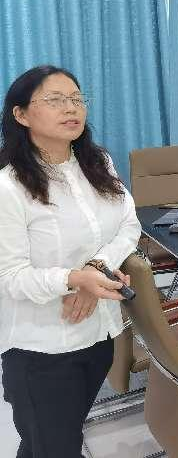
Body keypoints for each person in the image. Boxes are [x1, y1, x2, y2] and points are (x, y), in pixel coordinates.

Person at [0, 65, 141, 458]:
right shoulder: (8, 187)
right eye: (55, 100)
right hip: (41, 351)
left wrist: (96, 269)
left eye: (77, 99)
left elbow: (128, 225)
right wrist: (74, 279)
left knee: (49, 443)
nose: (71, 108)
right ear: (21, 114)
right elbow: (10, 276)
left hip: (99, 335)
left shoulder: (98, 163)